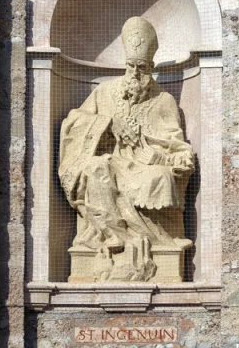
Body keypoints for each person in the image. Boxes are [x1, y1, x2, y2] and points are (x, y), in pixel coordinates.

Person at [59, 17, 194, 283]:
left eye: (141, 68)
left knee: (160, 177)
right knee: (96, 168)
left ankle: (150, 244)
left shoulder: (163, 100)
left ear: (151, 67)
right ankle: (115, 235)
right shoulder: (104, 92)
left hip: (143, 167)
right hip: (111, 162)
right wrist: (108, 124)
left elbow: (178, 148)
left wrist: (156, 156)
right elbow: (73, 125)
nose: (134, 74)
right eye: (130, 66)